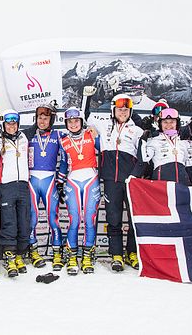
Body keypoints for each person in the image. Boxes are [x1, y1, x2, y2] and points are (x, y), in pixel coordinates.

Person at [92, 94, 144, 272]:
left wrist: (134, 176)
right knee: (113, 218)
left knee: (133, 218)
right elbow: (86, 116)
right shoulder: (104, 125)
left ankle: (132, 253)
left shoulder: (137, 130)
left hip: (130, 182)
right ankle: (116, 254)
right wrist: (91, 96)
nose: (123, 112)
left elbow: (143, 159)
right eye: (120, 109)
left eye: (126, 109)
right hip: (110, 181)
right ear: (113, 110)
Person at [57, 107, 102, 275]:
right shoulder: (63, 140)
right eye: (70, 121)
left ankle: (88, 256)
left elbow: (104, 151)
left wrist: (97, 133)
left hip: (91, 179)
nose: (74, 124)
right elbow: (62, 163)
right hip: (73, 180)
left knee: (90, 219)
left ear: (81, 122)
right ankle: (72, 256)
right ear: (66, 123)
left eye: (76, 121)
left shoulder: (91, 134)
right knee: (74, 220)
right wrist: (60, 183)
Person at [22, 101, 66, 270]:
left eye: (46, 118)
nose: (42, 121)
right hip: (32, 180)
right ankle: (34, 252)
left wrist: (60, 180)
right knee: (32, 219)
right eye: (40, 118)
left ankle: (57, 254)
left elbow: (65, 158)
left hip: (49, 181)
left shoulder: (58, 135)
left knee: (53, 219)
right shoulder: (28, 135)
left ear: (51, 119)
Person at [0, 108, 32, 277]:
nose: (11, 126)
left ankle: (19, 255)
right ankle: (9, 256)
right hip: (7, 186)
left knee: (24, 221)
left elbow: (42, 123)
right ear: (4, 125)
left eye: (14, 123)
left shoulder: (24, 137)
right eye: (8, 123)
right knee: (9, 222)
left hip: (23, 185)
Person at [131, 107, 192, 185]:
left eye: (172, 122)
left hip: (182, 183)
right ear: (160, 124)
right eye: (165, 122)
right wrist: (143, 139)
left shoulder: (183, 142)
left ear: (177, 123)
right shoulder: (154, 140)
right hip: (162, 184)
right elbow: (144, 158)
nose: (169, 125)